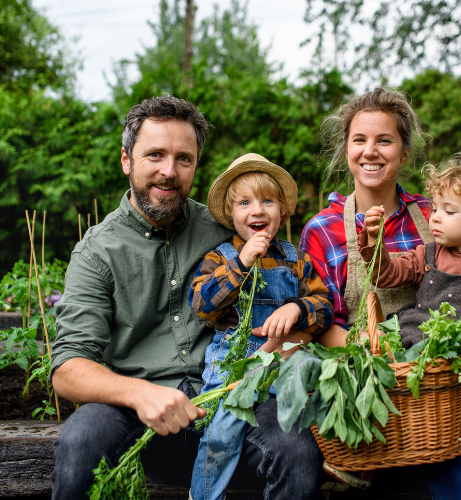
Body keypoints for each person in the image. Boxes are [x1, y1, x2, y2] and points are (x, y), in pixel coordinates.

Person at [49, 96, 324, 500]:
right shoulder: (98, 252)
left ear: (196, 164)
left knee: (296, 448)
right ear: (127, 160)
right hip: (137, 409)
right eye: (155, 155)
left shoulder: (224, 229)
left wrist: (295, 332)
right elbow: (67, 369)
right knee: (81, 440)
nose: (168, 171)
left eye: (183, 158)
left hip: (235, 392)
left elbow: (295, 286)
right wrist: (141, 393)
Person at [299, 88, 461, 499]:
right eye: (359, 140)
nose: (371, 151)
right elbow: (322, 322)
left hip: (438, 396)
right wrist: (380, 364)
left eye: (384, 140)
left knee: (450, 470)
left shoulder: (436, 214)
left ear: (404, 152)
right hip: (368, 388)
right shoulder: (322, 229)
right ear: (346, 148)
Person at [188, 153, 334, 500]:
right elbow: (201, 305)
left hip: (283, 362)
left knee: (314, 410)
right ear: (231, 214)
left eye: (267, 201)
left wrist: (299, 308)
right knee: (221, 432)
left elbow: (324, 307)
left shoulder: (296, 259)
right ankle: (204, 495)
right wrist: (241, 263)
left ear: (283, 212)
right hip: (233, 366)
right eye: (244, 202)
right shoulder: (221, 257)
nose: (257, 210)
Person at [360, 152, 461, 345]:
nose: (435, 217)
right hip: (413, 345)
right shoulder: (426, 256)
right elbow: (384, 275)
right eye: (434, 208)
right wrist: (374, 239)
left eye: (449, 211)